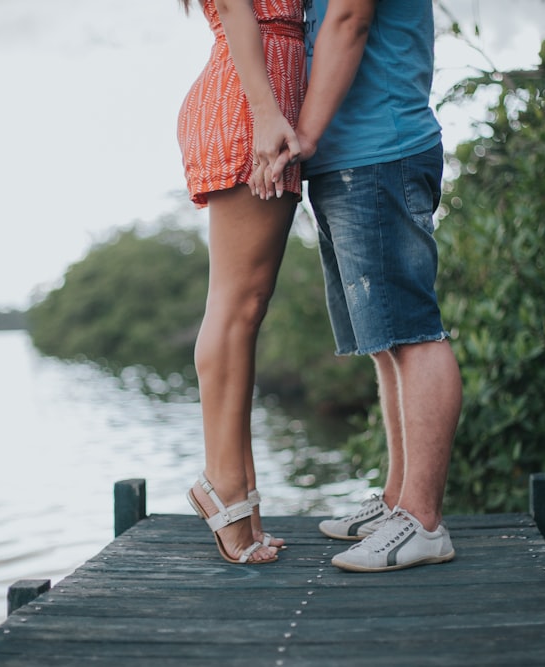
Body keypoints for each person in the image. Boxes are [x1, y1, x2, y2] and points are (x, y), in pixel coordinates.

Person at [257, 0, 462, 572]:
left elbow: (349, 16)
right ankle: (398, 504)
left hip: (380, 148)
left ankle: (422, 523)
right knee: (387, 340)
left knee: (413, 334)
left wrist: (305, 136)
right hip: (359, 154)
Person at [177, 0, 306, 564]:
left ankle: (240, 495)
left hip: (265, 96)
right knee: (235, 306)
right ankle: (223, 487)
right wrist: (265, 113)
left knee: (244, 309)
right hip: (253, 103)